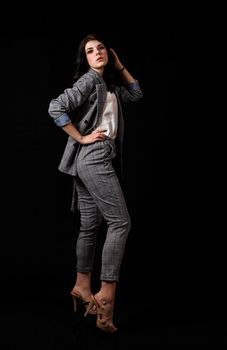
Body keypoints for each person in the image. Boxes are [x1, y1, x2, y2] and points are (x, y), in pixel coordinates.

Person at [48, 33, 143, 333]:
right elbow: (56, 107)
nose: (97, 52)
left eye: (101, 48)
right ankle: (106, 296)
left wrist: (119, 64)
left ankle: (81, 285)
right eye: (90, 51)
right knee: (120, 222)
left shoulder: (108, 85)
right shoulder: (90, 81)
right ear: (85, 59)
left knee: (90, 226)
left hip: (86, 161)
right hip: (94, 155)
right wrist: (82, 137)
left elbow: (136, 93)